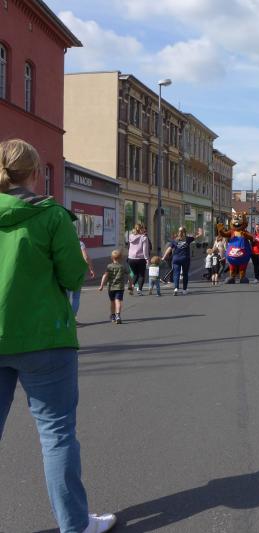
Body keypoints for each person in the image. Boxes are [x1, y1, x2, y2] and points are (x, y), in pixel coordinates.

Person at [0, 138, 117, 533]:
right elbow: (72, 276)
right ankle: (74, 525)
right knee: (57, 434)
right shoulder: (51, 216)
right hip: (45, 337)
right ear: (35, 174)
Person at [162, 226, 203, 295]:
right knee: (185, 274)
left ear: (178, 232)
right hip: (185, 259)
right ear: (185, 232)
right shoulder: (188, 239)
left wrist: (164, 257)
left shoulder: (175, 240)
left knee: (176, 274)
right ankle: (184, 290)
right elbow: (197, 236)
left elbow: (169, 249)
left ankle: (176, 288)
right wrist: (200, 233)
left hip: (176, 259)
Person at [66, 238, 96, 323]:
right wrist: (91, 269)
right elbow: (86, 257)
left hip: (66, 272)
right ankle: (72, 318)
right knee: (76, 297)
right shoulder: (80, 243)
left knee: (66, 298)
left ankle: (66, 319)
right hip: (78, 273)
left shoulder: (64, 241)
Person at [98, 249, 129, 324]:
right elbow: (129, 276)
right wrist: (131, 284)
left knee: (112, 302)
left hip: (111, 287)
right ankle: (118, 315)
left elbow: (105, 276)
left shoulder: (109, 266)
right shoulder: (122, 267)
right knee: (118, 301)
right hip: (120, 287)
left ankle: (113, 316)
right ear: (121, 258)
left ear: (112, 258)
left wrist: (101, 285)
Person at [126, 223, 150, 295]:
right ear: (141, 229)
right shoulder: (144, 237)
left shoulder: (131, 236)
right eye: (143, 229)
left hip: (131, 258)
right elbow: (145, 250)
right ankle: (139, 290)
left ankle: (132, 286)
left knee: (135, 274)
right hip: (140, 258)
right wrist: (147, 259)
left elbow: (129, 247)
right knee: (141, 275)